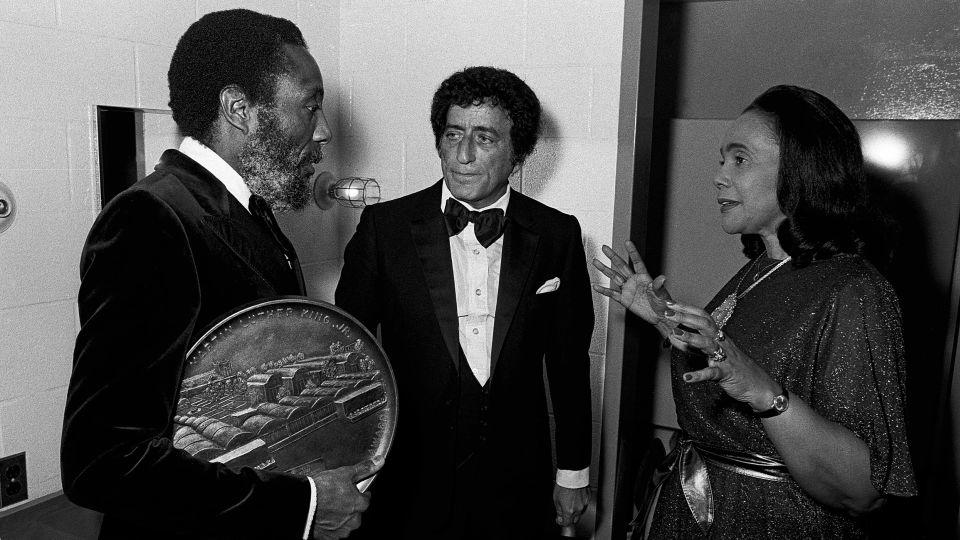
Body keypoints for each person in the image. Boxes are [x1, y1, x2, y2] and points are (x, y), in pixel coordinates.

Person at [61, 9, 374, 540]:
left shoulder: (243, 211)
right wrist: (302, 505)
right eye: (310, 105)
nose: (322, 131)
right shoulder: (151, 220)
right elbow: (103, 462)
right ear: (238, 109)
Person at [594, 85, 917, 537]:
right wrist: (664, 315)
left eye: (740, 159)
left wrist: (764, 392)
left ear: (800, 171)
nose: (719, 176)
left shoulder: (855, 290)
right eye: (722, 159)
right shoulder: (764, 267)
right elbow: (731, 363)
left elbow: (863, 491)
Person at [335, 66, 593, 539]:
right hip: (404, 474)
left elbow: (568, 363)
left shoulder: (557, 235)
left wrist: (572, 473)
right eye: (453, 134)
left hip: (517, 476)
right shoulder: (384, 228)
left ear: (520, 152)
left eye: (485, 138)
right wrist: (345, 466)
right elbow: (347, 358)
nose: (463, 155)